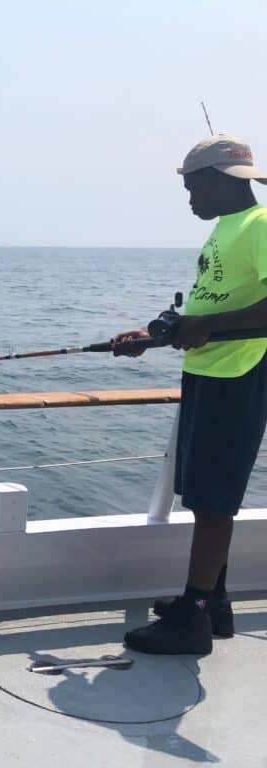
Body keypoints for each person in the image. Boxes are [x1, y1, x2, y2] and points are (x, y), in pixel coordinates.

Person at [113, 134, 267, 654]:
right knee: (205, 495)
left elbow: (225, 319)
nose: (189, 199)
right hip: (209, 372)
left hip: (238, 375)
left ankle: (193, 617)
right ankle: (213, 600)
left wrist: (208, 326)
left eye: (193, 187)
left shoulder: (261, 225)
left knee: (214, 498)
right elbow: (209, 308)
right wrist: (155, 333)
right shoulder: (227, 228)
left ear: (220, 180)